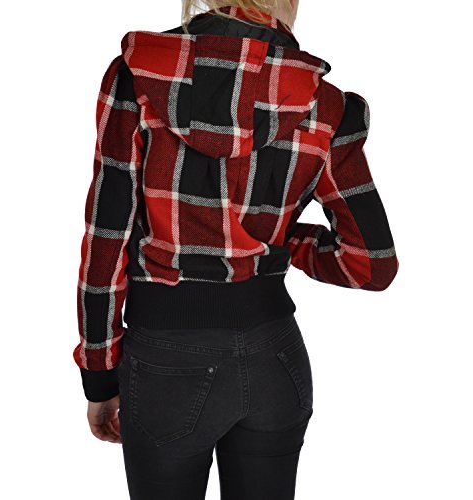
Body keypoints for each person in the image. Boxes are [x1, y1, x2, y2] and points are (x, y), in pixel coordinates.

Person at [74, 1, 399, 498]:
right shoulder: (328, 107)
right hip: (276, 359)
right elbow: (371, 264)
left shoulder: (137, 77)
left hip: (165, 362)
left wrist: (99, 374)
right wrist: (287, 241)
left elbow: (107, 236)